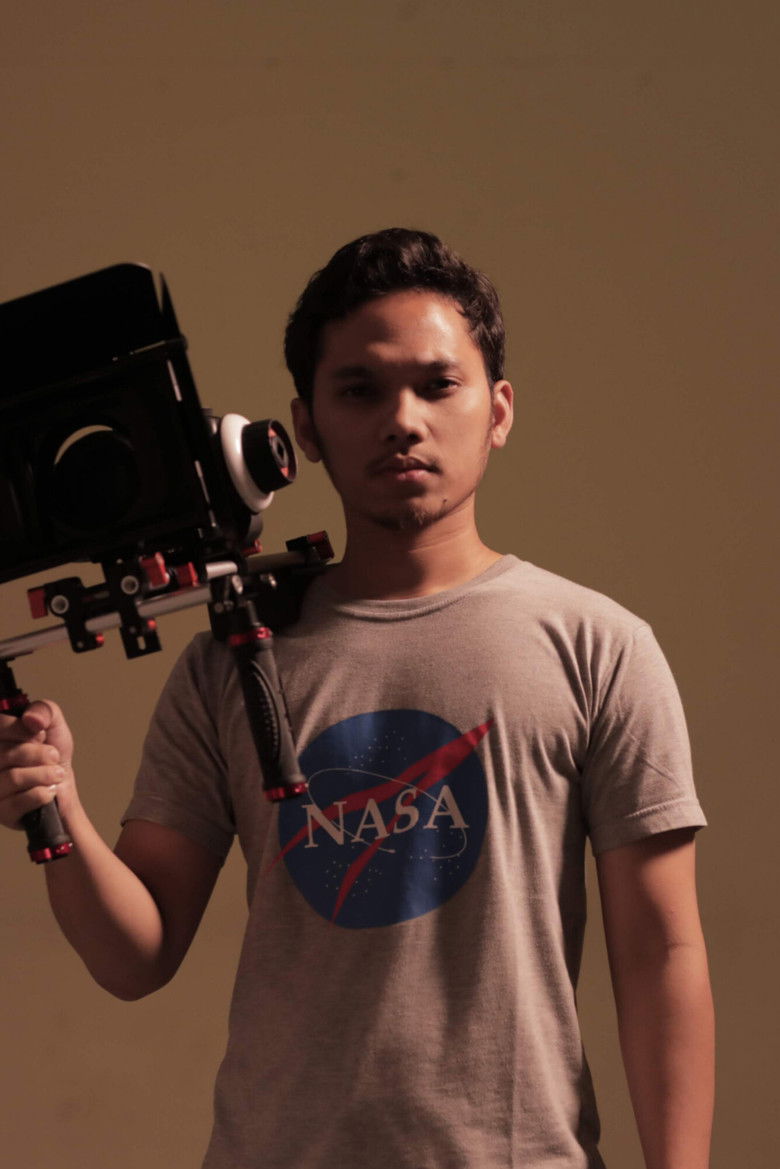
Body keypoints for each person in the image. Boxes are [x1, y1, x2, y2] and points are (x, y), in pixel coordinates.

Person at [0, 229, 714, 1169]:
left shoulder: (598, 648)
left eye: (438, 384)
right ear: (304, 427)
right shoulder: (232, 663)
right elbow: (135, 954)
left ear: (498, 410)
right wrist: (53, 806)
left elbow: (661, 954)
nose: (402, 420)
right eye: (360, 390)